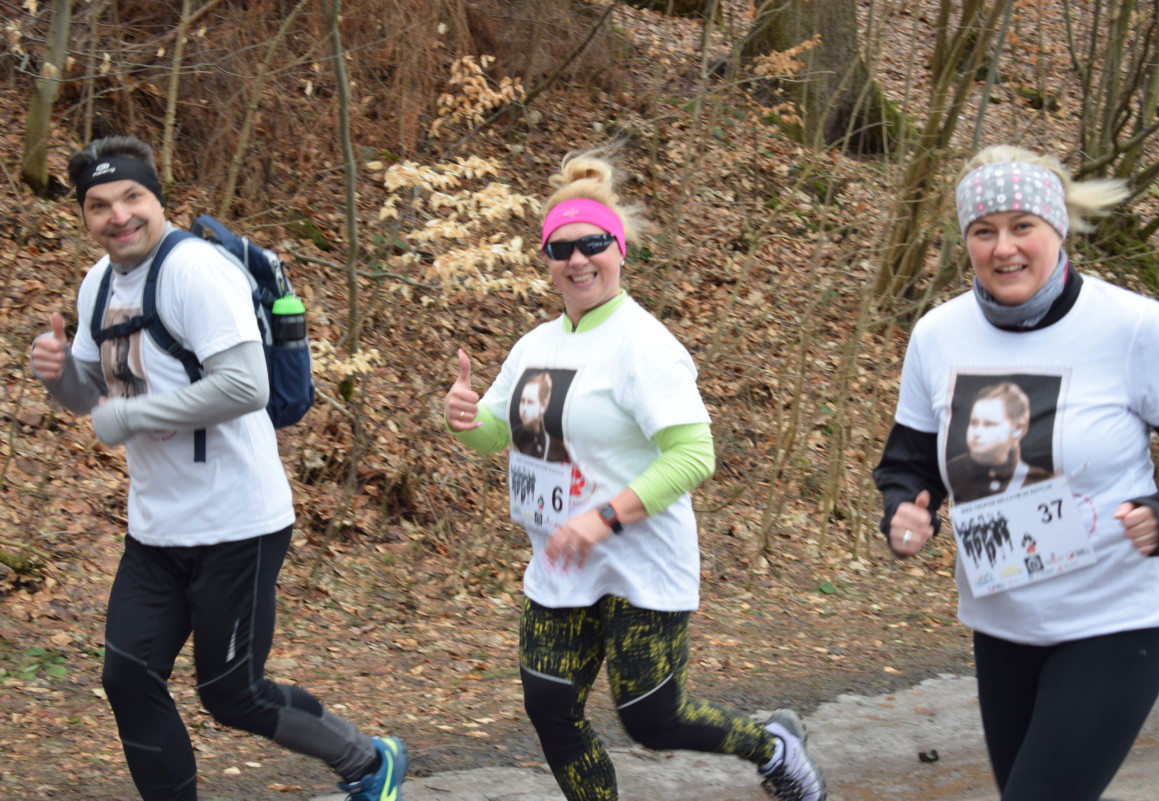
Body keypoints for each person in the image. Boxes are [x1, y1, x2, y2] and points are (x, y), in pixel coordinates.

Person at [29, 135, 406, 801]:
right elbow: (89, 398)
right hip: (157, 527)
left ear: (157, 198)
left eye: (132, 196)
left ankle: (368, 760)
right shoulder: (98, 284)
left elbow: (246, 386)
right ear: (83, 215)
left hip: (238, 524)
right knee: (127, 676)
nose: (118, 215)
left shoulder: (195, 272)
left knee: (232, 693)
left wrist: (131, 415)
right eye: (99, 205)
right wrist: (58, 375)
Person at [443, 149, 826, 801]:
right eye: (561, 249)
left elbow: (694, 455)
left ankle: (772, 746)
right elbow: (499, 433)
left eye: (593, 244)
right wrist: (465, 416)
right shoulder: (535, 345)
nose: (577, 260)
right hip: (561, 562)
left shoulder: (644, 344)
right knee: (550, 708)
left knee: (651, 718)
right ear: (547, 260)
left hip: (640, 560)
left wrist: (603, 517)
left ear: (619, 250)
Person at [874, 144, 1159, 801]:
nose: (1004, 248)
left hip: (1117, 618)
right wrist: (905, 507)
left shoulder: (1133, 327)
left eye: (1022, 226)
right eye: (983, 231)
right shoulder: (938, 335)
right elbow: (908, 461)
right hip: (1004, 622)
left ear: (1058, 228)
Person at [946, 380, 1052, 502]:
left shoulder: (1039, 480)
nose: (977, 433)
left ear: (1018, 429)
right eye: (974, 423)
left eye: (989, 424)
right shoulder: (951, 471)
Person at [512, 370, 569, 461]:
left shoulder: (555, 447)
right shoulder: (514, 436)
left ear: (543, 406)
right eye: (522, 401)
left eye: (530, 402)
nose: (524, 409)